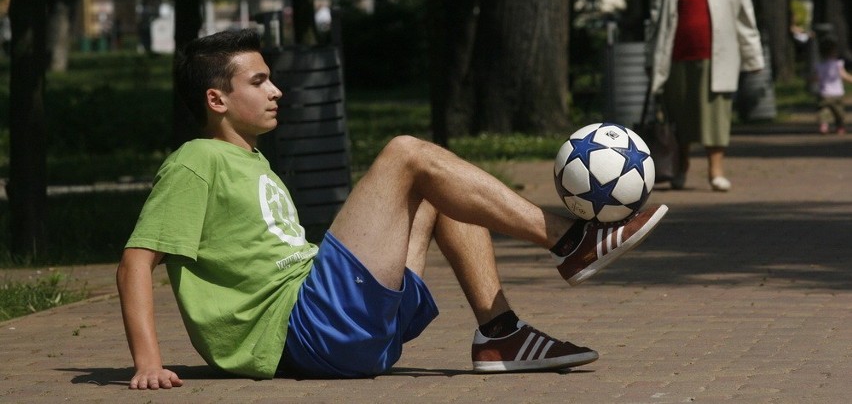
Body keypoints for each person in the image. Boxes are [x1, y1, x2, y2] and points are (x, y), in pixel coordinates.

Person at [117, 29, 668, 388]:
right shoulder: (196, 161)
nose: (276, 90)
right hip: (305, 328)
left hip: (347, 334)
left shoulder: (253, 162)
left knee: (439, 186)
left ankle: (502, 334)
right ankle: (571, 241)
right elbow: (136, 262)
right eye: (259, 81)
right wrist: (147, 361)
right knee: (405, 154)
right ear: (216, 100)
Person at [646, 0, 764, 192]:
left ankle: (716, 171)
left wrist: (753, 56)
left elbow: (745, 13)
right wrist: (651, 57)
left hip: (718, 52)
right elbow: (655, 16)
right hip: (676, 53)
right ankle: (680, 169)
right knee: (680, 115)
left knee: (716, 115)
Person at [812, 37, 852, 134]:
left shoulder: (819, 66)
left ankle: (824, 125)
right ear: (834, 52)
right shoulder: (838, 64)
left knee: (824, 110)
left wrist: (810, 80)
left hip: (824, 93)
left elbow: (815, 78)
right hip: (837, 93)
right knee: (839, 112)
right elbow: (844, 75)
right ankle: (840, 127)